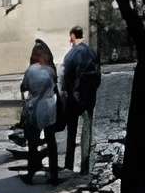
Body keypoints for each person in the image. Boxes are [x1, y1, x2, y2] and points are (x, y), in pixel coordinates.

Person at [60, 24, 101, 172]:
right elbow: (98, 77)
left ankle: (69, 165)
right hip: (89, 97)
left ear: (72, 36)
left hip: (74, 99)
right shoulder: (92, 52)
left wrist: (68, 95)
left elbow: (65, 81)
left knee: (71, 133)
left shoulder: (70, 55)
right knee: (87, 131)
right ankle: (85, 166)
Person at [20, 39, 59, 184]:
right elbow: (55, 85)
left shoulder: (30, 71)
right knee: (51, 142)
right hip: (49, 108)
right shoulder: (49, 70)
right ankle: (54, 175)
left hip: (34, 109)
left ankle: (31, 174)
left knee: (33, 143)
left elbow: (24, 87)